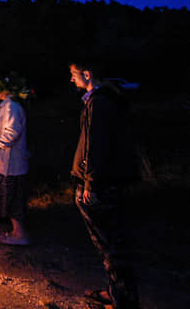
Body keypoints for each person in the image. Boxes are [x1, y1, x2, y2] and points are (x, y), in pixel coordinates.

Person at [69, 61, 139, 309]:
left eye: (73, 75)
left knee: (110, 244)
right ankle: (118, 293)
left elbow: (95, 145)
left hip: (101, 184)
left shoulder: (98, 103)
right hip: (110, 180)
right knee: (113, 242)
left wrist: (91, 183)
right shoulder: (106, 99)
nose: (71, 80)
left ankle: (123, 299)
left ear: (87, 74)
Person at [0, 74, 31, 245]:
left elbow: (11, 133)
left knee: (13, 199)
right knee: (9, 199)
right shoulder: (6, 106)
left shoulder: (12, 107)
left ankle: (20, 234)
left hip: (11, 163)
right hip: (4, 162)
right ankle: (15, 231)